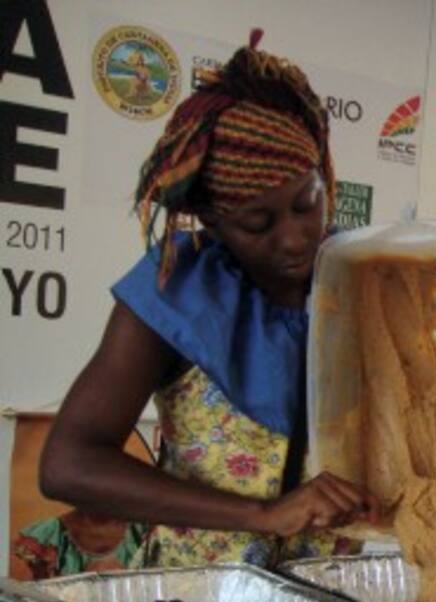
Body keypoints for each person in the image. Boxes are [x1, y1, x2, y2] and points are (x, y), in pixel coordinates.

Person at [39, 31, 377, 569]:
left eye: (307, 204)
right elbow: (68, 465)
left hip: (334, 596)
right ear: (213, 221)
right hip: (194, 597)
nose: (294, 239)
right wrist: (263, 514)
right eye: (257, 223)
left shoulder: (368, 279)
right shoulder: (177, 290)